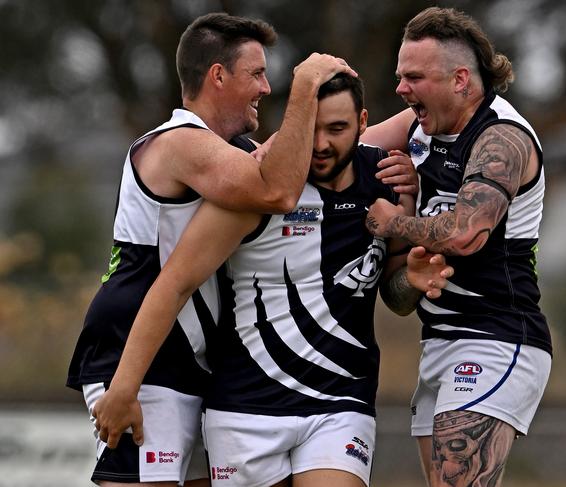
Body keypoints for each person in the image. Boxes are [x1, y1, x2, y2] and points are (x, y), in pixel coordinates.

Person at [89, 73, 452, 487]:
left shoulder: (386, 181)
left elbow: (396, 296)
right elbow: (174, 284)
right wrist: (123, 387)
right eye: (310, 128)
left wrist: (410, 277)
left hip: (340, 405)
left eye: (336, 129)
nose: (320, 145)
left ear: (363, 122)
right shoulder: (256, 188)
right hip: (245, 410)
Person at [65, 12, 357, 487]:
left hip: (194, 361)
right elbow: (279, 190)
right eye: (257, 73)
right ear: (218, 76)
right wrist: (305, 85)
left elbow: (328, 152)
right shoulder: (180, 142)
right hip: (140, 358)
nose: (266, 87)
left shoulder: (232, 149)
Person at [361, 6, 552, 487]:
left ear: (461, 80)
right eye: (400, 76)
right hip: (439, 342)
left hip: (497, 337)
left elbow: (468, 232)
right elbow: (340, 151)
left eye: (414, 77)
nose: (402, 89)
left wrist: (394, 221)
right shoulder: (419, 129)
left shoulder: (502, 137)